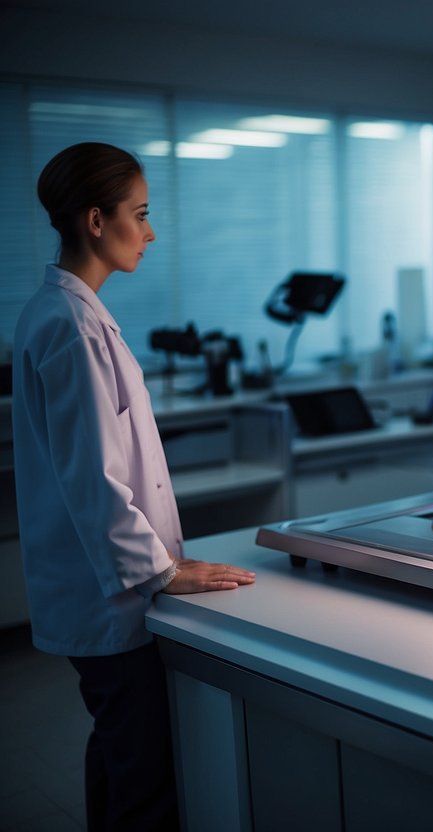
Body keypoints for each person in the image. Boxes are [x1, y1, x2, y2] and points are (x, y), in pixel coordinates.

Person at [11, 142, 256, 832]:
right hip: (109, 596)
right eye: (139, 215)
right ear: (96, 219)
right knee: (144, 776)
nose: (149, 234)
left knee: (119, 754)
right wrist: (161, 571)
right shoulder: (70, 325)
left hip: (103, 587)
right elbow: (93, 477)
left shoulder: (68, 314)